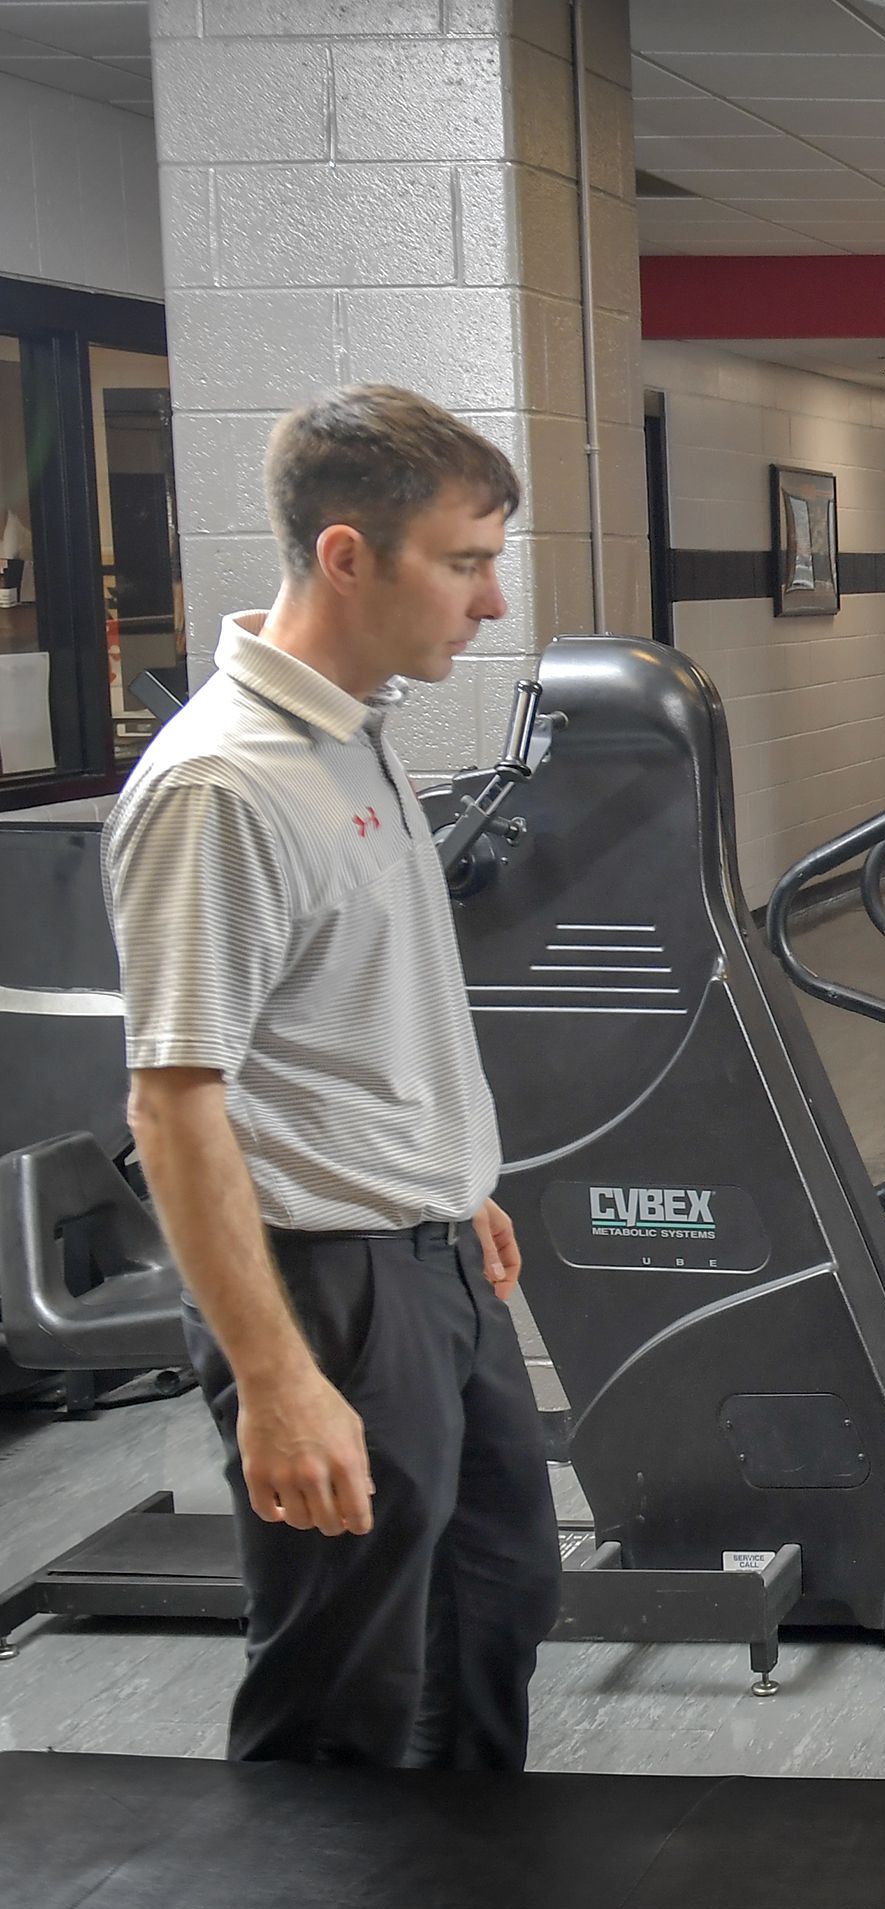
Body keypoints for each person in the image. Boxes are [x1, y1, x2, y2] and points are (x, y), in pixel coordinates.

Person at [105, 384, 558, 1765]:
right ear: (349, 554)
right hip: (325, 1282)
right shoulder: (222, 784)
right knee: (343, 1673)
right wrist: (277, 1381)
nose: (490, 602)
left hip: (430, 1255)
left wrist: (448, 1179)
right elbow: (174, 1102)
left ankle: (468, 1896)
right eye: (465, 560)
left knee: (493, 1600)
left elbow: (357, 1006)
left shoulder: (353, 726)